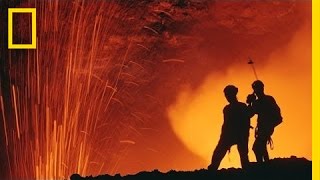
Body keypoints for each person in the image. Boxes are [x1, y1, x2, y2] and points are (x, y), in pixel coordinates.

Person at [208, 85, 251, 170]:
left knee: (241, 154)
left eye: (228, 95)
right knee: (242, 154)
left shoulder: (232, 108)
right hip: (236, 135)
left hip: (235, 135)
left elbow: (248, 116)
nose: (227, 97)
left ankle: (212, 170)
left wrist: (250, 103)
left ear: (233, 94)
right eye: (226, 95)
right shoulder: (236, 107)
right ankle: (247, 171)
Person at [246, 80, 282, 163]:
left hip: (266, 128)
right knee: (262, 147)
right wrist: (250, 103)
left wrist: (250, 103)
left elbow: (250, 114)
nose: (256, 91)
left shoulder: (266, 100)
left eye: (257, 88)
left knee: (256, 148)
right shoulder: (261, 101)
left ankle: (262, 166)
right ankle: (266, 165)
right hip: (264, 128)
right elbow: (250, 114)